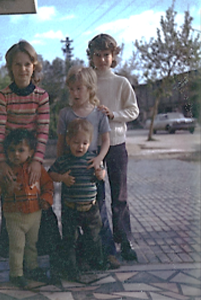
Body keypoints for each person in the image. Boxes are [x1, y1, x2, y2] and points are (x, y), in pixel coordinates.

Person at [56, 66, 120, 269]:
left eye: (79, 89)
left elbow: (106, 141)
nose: (75, 93)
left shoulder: (99, 114)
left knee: (99, 213)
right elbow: (59, 144)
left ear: (90, 89)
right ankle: (74, 259)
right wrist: (62, 168)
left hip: (92, 172)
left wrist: (99, 159)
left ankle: (106, 253)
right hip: (71, 174)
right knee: (71, 219)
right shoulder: (65, 114)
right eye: (72, 89)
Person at [0, 40, 50, 259]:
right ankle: (13, 259)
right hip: (10, 159)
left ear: (34, 66)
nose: (23, 69)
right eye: (18, 64)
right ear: (10, 67)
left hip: (31, 159)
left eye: (27, 64)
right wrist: (2, 163)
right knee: (10, 207)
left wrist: (36, 162)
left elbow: (43, 131)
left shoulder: (41, 97)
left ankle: (34, 258)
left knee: (35, 207)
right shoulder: (3, 96)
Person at [87, 33, 139, 261]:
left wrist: (114, 114)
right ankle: (101, 242)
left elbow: (133, 110)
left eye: (106, 55)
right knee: (95, 196)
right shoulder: (88, 81)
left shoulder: (121, 82)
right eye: (97, 55)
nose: (101, 60)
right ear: (91, 57)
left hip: (116, 144)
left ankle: (124, 240)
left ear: (114, 55)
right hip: (92, 147)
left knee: (119, 195)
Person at [0, 129, 54, 288]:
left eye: (21, 150)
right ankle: (16, 273)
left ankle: (32, 267)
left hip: (34, 214)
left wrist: (46, 199)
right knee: (17, 245)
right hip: (14, 215)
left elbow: (48, 185)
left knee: (32, 244)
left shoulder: (36, 170)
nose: (16, 154)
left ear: (31, 152)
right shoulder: (6, 171)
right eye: (12, 150)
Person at [49, 119, 105, 281]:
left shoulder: (93, 159)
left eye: (84, 143)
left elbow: (102, 172)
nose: (80, 146)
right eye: (76, 142)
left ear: (90, 143)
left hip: (90, 208)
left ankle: (88, 262)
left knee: (93, 237)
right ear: (68, 141)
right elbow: (50, 173)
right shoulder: (64, 160)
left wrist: (100, 174)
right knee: (70, 239)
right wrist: (62, 178)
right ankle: (71, 268)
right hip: (71, 208)